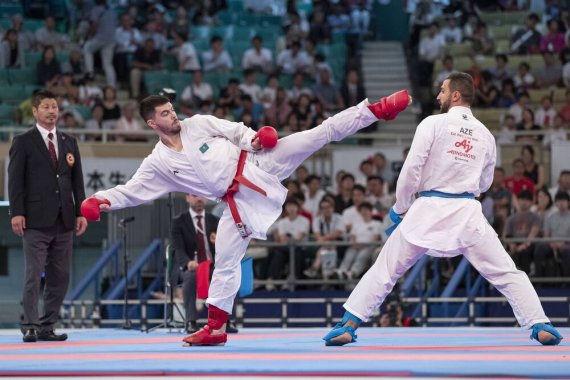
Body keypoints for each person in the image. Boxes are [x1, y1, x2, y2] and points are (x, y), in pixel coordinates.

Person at [81, 88, 411, 346]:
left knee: (317, 134)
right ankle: (215, 327)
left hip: (258, 163)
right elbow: (132, 189)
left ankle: (376, 110)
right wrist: (99, 200)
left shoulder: (197, 123)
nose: (173, 114)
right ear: (153, 124)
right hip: (236, 200)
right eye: (165, 113)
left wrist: (255, 138)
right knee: (225, 259)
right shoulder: (159, 163)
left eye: (171, 108)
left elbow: (235, 131)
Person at [323, 72, 563, 347]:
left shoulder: (433, 124)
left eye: (442, 90)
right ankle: (540, 323)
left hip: (427, 210)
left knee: (385, 269)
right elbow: (485, 182)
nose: (438, 96)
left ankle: (349, 324)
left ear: (455, 95)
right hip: (466, 213)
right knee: (507, 272)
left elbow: (411, 169)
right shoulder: (486, 135)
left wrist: (400, 208)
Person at [8, 90, 88, 343]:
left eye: (54, 106)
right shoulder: (23, 141)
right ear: (35, 111)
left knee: (60, 276)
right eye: (46, 107)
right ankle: (30, 324)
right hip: (35, 219)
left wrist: (80, 212)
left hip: (64, 219)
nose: (52, 111)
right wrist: (17, 212)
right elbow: (15, 182)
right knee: (34, 274)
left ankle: (47, 325)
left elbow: (77, 182)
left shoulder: (68, 141)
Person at [171, 194, 219, 333]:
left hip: (211, 264)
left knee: (228, 276)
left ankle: (225, 321)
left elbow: (222, 245)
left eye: (202, 196)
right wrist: (187, 262)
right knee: (191, 276)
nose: (199, 199)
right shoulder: (179, 221)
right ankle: (191, 321)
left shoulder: (215, 221)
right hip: (191, 265)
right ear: (187, 198)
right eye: (195, 195)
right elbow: (178, 248)